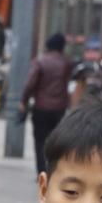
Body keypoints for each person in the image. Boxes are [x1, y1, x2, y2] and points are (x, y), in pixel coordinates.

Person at [21, 30, 73, 175]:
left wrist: (23, 101)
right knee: (55, 139)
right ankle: (52, 169)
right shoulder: (66, 62)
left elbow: (31, 83)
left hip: (41, 107)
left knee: (40, 140)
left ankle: (41, 171)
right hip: (59, 108)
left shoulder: (41, 60)